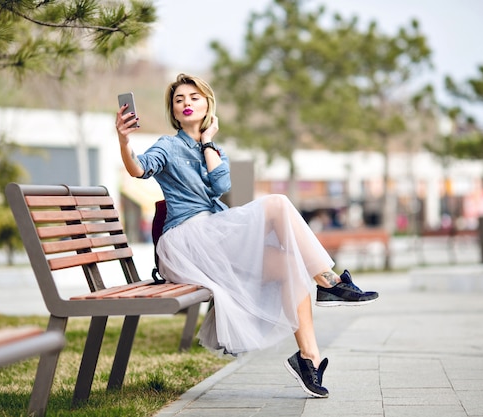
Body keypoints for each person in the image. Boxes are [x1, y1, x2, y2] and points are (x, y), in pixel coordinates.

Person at [115, 73, 379, 398]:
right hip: (186, 239)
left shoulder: (214, 149)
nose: (186, 103)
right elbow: (138, 168)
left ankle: (309, 358)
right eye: (179, 99)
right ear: (173, 109)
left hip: (214, 236)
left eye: (194, 97)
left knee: (287, 264)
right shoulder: (168, 146)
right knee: (278, 203)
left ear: (208, 104)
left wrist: (208, 141)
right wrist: (124, 141)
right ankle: (328, 281)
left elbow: (222, 187)